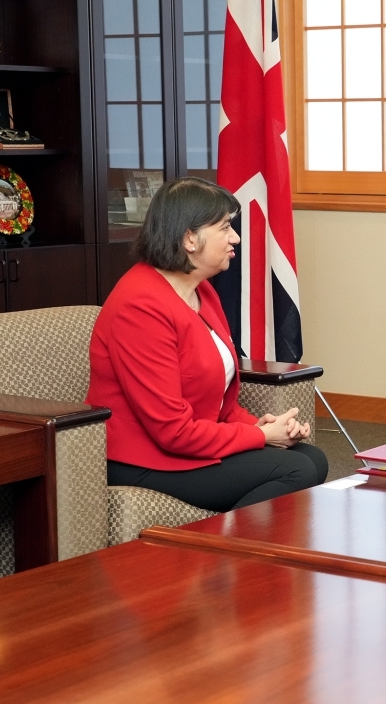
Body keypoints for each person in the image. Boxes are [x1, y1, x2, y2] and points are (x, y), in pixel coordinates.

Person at [87, 176, 327, 511]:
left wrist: (263, 426)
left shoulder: (202, 290)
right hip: (143, 459)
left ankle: (239, 541)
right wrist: (261, 437)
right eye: (225, 227)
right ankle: (219, 545)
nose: (236, 237)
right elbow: (172, 431)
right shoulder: (140, 307)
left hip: (188, 445)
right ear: (189, 238)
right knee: (297, 470)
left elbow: (220, 407)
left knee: (313, 458)